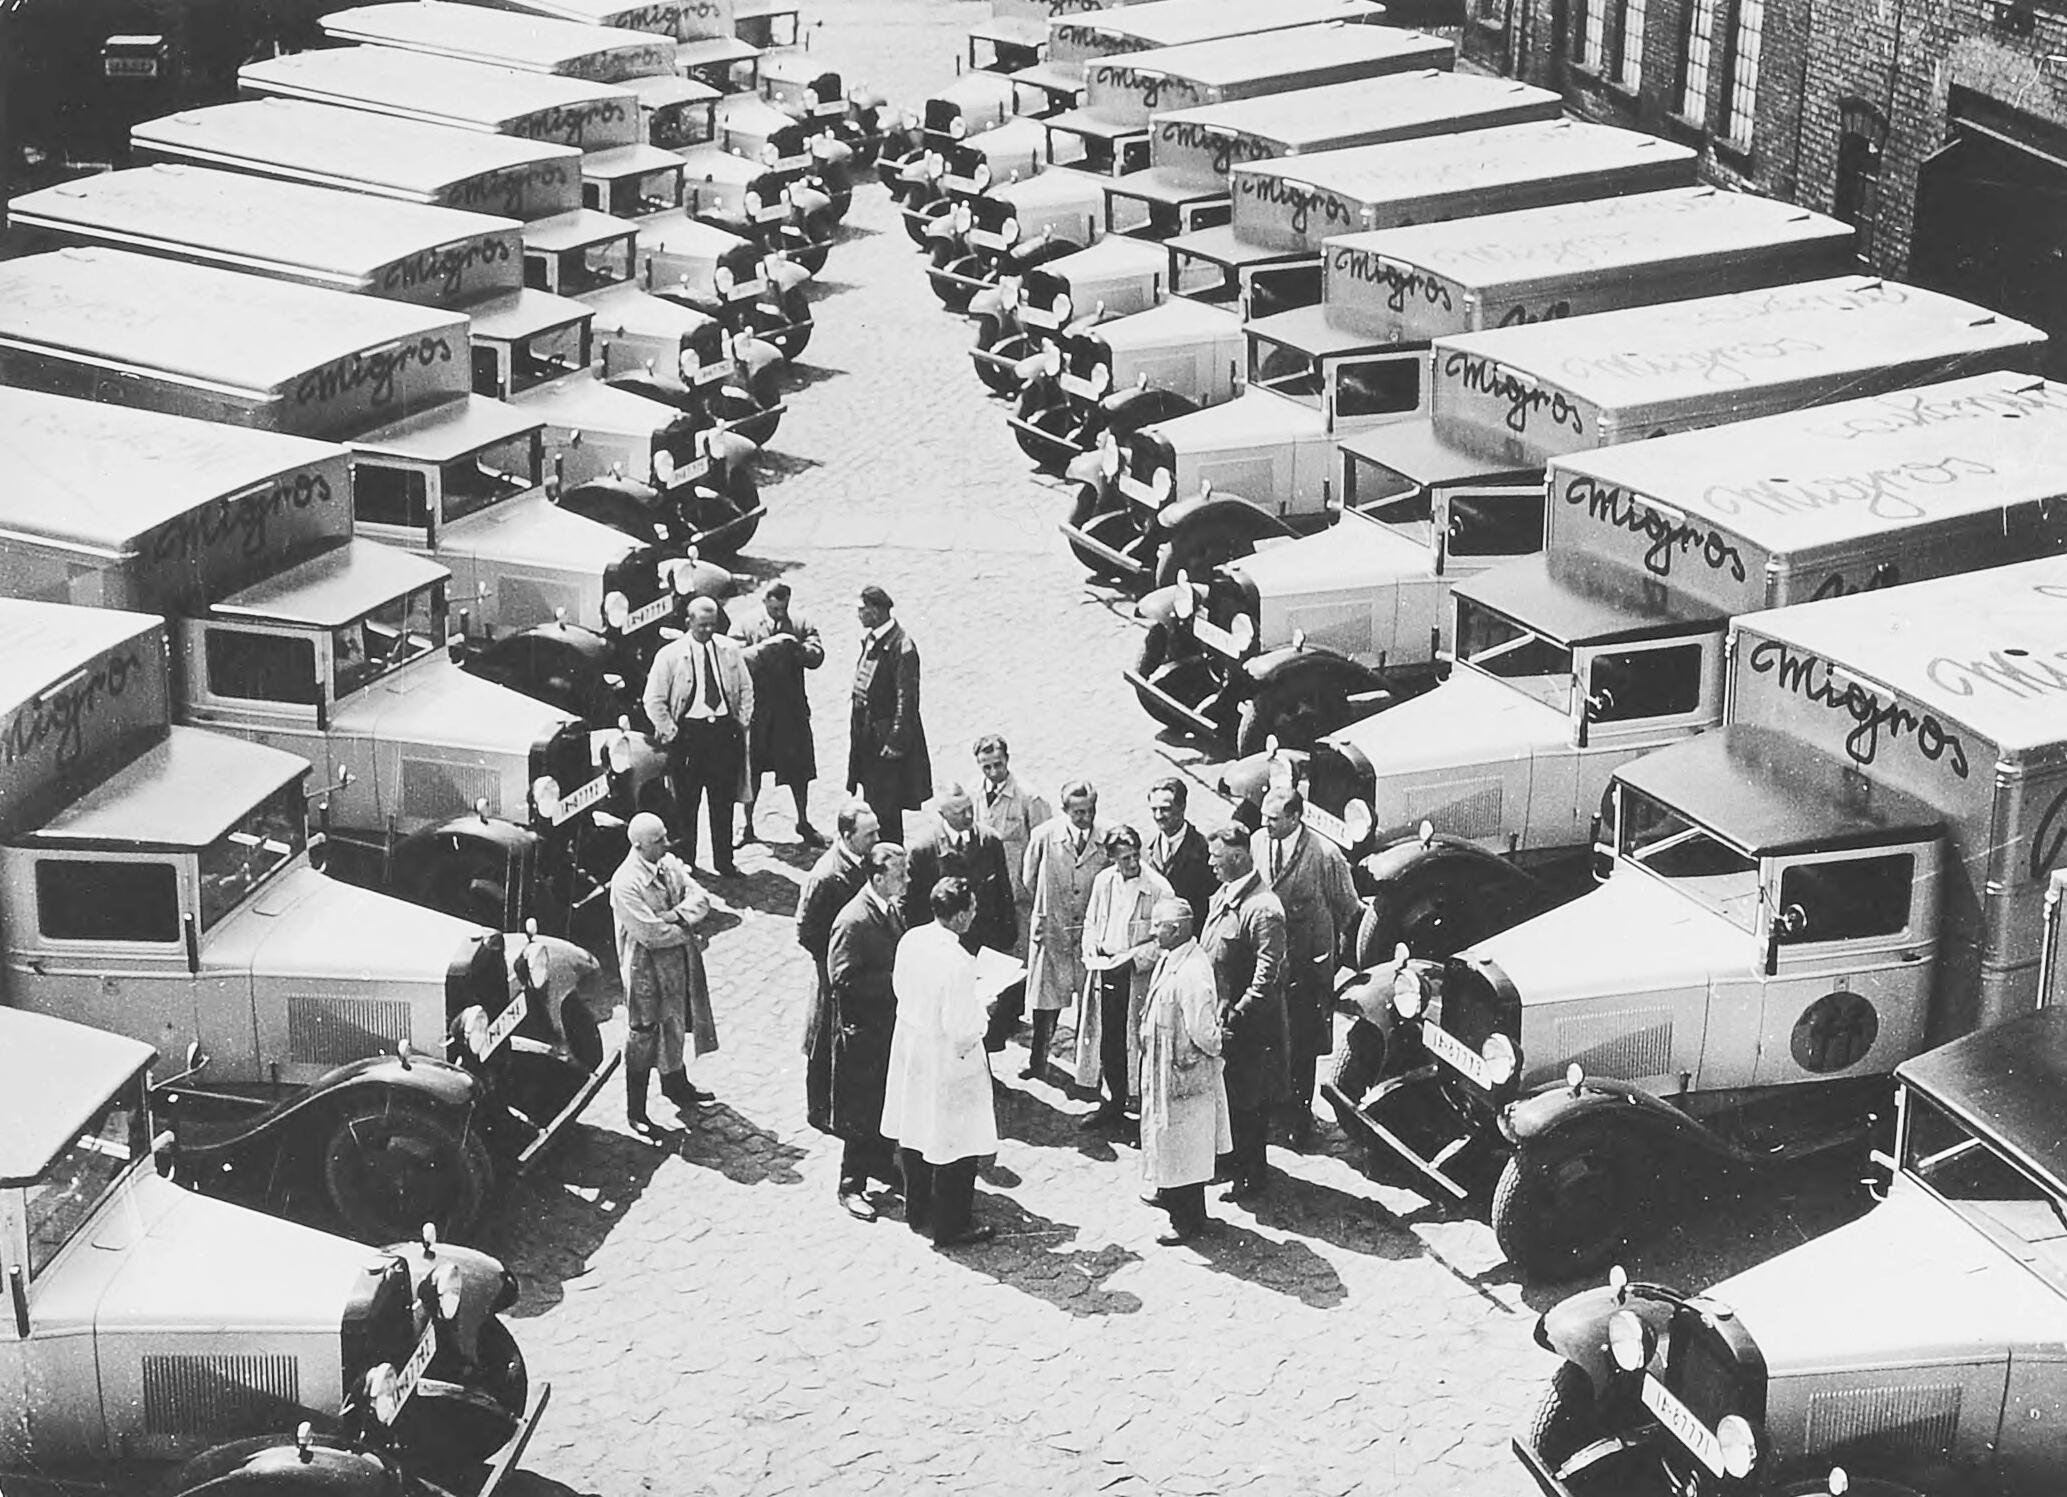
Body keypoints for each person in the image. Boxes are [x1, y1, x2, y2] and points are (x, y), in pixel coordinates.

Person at [881, 877, 1000, 1249]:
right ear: (962, 916)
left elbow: (899, 988)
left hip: (913, 1047)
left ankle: (917, 1211)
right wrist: (985, 1008)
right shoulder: (958, 962)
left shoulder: (912, 940)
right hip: (948, 1058)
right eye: (973, 908)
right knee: (956, 1142)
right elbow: (962, 1028)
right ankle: (952, 1225)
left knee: (915, 1130)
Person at [1254, 786, 1360, 1146]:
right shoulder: (1257, 843)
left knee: (1303, 1044)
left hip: (1307, 969)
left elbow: (1348, 908)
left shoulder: (1325, 854)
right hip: (1269, 964)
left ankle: (1299, 1119)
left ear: (1295, 818)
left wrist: (1325, 955)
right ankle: (1274, 1107)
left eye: (1273, 818)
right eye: (1264, 816)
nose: (1265, 823)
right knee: (1269, 1039)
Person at [609, 811, 720, 1135]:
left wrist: (672, 915)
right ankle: (636, 1110)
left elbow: (701, 898)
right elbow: (649, 933)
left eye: (665, 836)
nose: (666, 844)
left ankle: (675, 1084)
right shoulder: (625, 882)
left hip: (675, 960)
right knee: (643, 1034)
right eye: (658, 841)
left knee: (675, 1019)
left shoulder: (668, 863)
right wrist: (684, 928)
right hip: (643, 967)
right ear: (638, 845)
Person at [1201, 824, 1289, 1199]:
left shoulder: (1263, 909)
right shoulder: (1227, 893)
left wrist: (1236, 1015)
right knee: (1232, 1099)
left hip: (1250, 1030)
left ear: (1238, 858)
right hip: (1226, 1020)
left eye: (1216, 858)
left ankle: (1251, 1176)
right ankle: (1234, 1161)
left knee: (1249, 1103)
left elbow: (1267, 977)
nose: (1210, 863)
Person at [1138, 898, 1231, 1246]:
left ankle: (1187, 1219)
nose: (1152, 931)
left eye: (1157, 925)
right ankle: (1169, 1193)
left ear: (1175, 930)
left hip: (1183, 1073)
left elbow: (1204, 1031)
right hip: (1164, 1066)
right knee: (1169, 1138)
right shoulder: (1172, 958)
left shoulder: (1192, 971)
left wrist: (1208, 1050)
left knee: (1185, 1146)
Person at [825, 843, 910, 1220]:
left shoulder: (889, 908)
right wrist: (897, 980)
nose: (906, 880)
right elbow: (841, 978)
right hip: (863, 1033)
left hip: (887, 1026)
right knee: (861, 1110)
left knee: (883, 1103)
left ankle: (880, 1163)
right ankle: (851, 1184)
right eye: (899, 874)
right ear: (878, 877)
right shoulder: (853, 920)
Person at [644, 596, 755, 878]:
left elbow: (746, 688)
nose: (707, 631)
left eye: (712, 625)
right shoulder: (669, 656)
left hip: (722, 734)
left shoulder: (729, 650)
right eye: (702, 625)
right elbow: (653, 699)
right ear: (688, 622)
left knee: (723, 800)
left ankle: (724, 860)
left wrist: (740, 721)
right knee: (686, 803)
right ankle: (687, 862)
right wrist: (671, 731)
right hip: (689, 737)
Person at [1073, 825, 1171, 1129]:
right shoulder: (1104, 882)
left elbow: (1166, 939)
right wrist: (1092, 949)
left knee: (1139, 1043)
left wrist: (1135, 959)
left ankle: (1144, 1112)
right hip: (1106, 973)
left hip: (1138, 977)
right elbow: (1091, 922)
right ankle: (1113, 1102)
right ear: (1111, 858)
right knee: (1109, 1041)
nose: (1131, 863)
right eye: (1124, 858)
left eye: (1135, 855)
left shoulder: (1158, 888)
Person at [797, 801, 880, 1136]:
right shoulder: (826, 876)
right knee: (824, 1039)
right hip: (833, 971)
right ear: (847, 835)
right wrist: (835, 959)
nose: (877, 838)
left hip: (857, 967)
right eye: (869, 833)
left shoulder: (865, 862)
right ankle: (819, 1110)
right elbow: (805, 931)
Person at [1019, 780, 1107, 1083]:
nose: (1085, 817)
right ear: (1065, 810)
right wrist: (1049, 909)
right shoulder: (1044, 836)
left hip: (1088, 936)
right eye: (1078, 812)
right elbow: (1029, 878)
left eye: (1090, 810)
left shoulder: (1106, 838)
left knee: (1090, 1007)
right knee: (1045, 1006)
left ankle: (1089, 1071)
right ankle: (1038, 1062)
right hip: (1052, 931)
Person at [733, 580, 826, 848]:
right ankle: (747, 824)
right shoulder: (745, 624)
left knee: (799, 771)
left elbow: (817, 656)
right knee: (752, 772)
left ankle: (803, 821)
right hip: (757, 712)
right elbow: (733, 658)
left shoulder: (800, 623)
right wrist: (766, 648)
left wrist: (796, 648)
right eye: (773, 609)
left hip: (791, 710)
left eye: (782, 609)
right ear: (764, 603)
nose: (777, 614)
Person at [847, 585, 930, 845]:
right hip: (867, 736)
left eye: (861, 610)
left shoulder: (901, 647)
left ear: (875, 611)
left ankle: (890, 854)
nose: (858, 615)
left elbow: (907, 699)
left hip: (885, 741)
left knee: (887, 806)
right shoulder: (873, 639)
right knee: (874, 799)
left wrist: (895, 741)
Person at [903, 784, 1016, 954]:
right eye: (959, 812)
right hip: (946, 948)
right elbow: (915, 907)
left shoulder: (990, 841)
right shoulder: (923, 851)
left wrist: (1007, 938)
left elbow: (1004, 894)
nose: (969, 816)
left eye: (970, 808)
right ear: (942, 814)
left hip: (988, 944)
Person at [971, 734, 1049, 962]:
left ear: (1007, 759)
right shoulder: (973, 793)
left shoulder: (1029, 797)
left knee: (1023, 953)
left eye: (998, 765)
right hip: (987, 890)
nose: (993, 772)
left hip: (1019, 893)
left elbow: (1043, 847)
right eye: (986, 767)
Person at [1145, 776, 1215, 932]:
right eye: (1154, 809)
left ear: (1182, 807)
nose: (1158, 816)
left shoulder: (1204, 851)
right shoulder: (1145, 849)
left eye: (1165, 809)